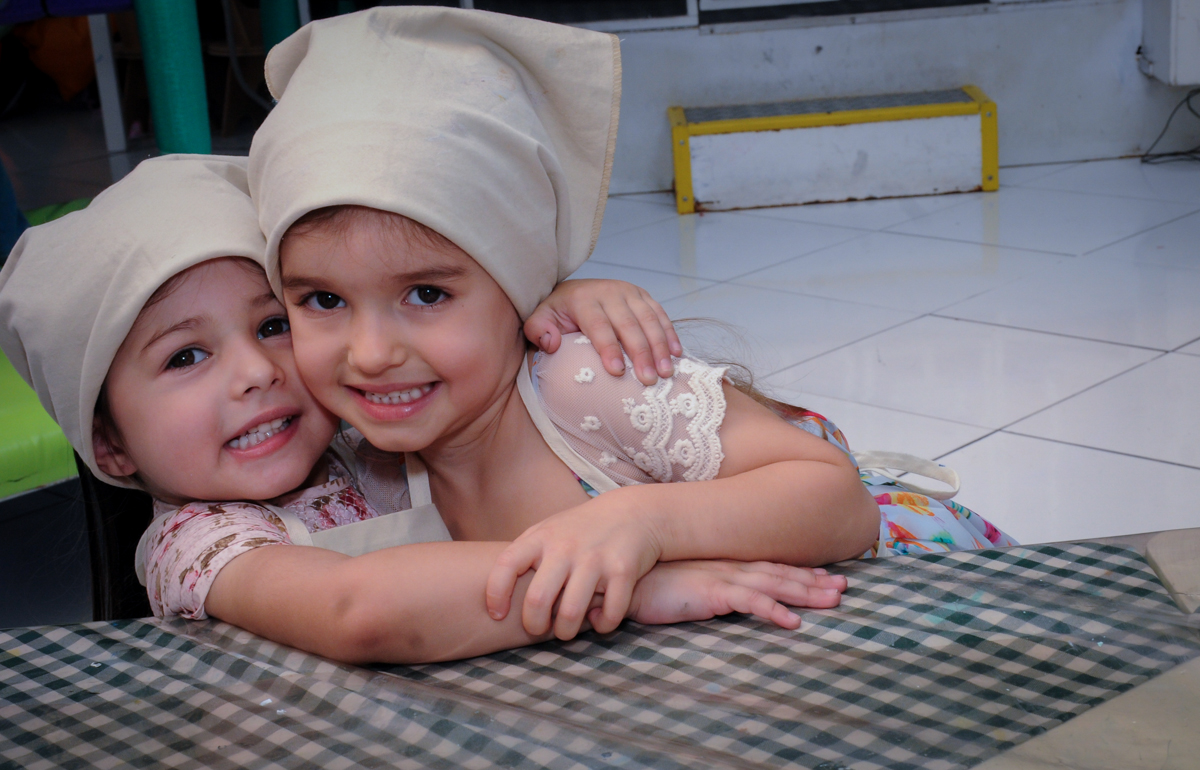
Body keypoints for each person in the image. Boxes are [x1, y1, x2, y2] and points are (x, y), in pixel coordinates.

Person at [248, 7, 1015, 643]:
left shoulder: (579, 381)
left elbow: (834, 501)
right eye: (321, 301)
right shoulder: (367, 460)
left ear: (521, 287)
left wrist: (641, 520)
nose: (372, 354)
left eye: (424, 293)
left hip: (918, 608)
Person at [0, 154, 847, 663]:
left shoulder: (362, 428)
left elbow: (428, 336)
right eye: (185, 356)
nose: (258, 370)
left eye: (274, 322)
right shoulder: (193, 544)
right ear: (109, 444)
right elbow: (359, 607)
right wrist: (624, 588)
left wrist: (546, 300)